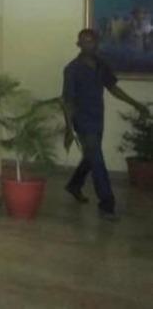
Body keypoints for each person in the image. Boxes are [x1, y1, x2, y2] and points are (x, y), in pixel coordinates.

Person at [62, 28, 150, 221]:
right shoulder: (72, 69)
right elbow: (67, 102)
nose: (89, 45)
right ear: (78, 44)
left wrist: (135, 104)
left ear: (97, 43)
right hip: (82, 121)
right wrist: (69, 129)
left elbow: (113, 88)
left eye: (92, 41)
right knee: (98, 161)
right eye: (85, 42)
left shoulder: (102, 64)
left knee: (91, 157)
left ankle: (74, 185)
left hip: (97, 119)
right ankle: (107, 206)